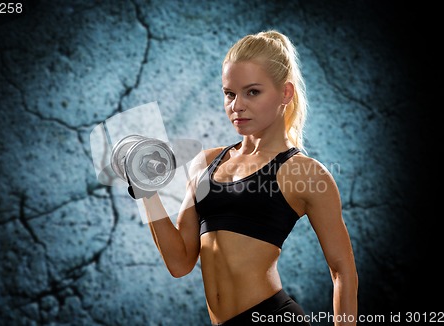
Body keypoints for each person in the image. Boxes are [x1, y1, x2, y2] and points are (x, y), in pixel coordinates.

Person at [132, 30, 358, 325]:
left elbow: (343, 271)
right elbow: (179, 262)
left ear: (285, 93)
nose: (237, 105)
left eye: (252, 92)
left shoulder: (303, 172)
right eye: (229, 93)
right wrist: (145, 190)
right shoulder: (206, 163)